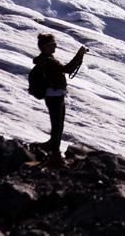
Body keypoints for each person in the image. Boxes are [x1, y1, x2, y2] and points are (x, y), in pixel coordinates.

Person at [33, 33, 87, 164]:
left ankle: (52, 150)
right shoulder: (48, 61)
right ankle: (54, 155)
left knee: (58, 125)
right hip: (54, 96)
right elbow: (67, 69)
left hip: (55, 96)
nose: (55, 45)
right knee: (57, 126)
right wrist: (79, 55)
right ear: (45, 46)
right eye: (52, 43)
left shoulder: (47, 59)